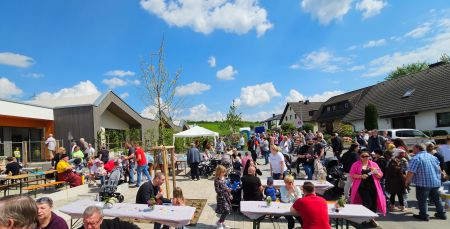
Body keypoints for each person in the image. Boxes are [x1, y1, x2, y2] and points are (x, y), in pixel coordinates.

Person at [405, 144, 446, 221]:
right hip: (435, 182)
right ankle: (441, 214)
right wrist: (442, 175)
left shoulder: (416, 158)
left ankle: (424, 215)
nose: (412, 150)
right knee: (437, 199)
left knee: (422, 200)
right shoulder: (433, 157)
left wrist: (407, 181)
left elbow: (411, 172)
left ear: (417, 148)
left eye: (413, 148)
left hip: (423, 183)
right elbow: (439, 168)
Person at [350, 149, 386, 227]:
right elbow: (352, 174)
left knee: (373, 204)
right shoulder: (356, 164)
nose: (366, 158)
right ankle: (364, 218)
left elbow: (380, 175)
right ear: (360, 157)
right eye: (363, 156)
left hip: (373, 186)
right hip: (362, 187)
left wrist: (376, 173)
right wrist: (360, 176)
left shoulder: (374, 164)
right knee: (367, 202)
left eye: (367, 156)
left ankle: (371, 219)